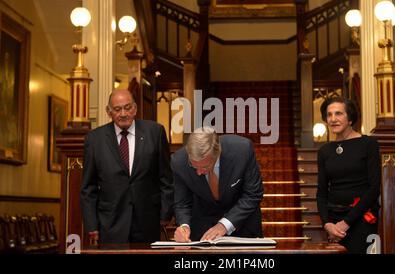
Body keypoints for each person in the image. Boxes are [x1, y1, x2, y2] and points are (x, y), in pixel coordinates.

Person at [80, 89, 173, 244]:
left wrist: (165, 215)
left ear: (135, 108)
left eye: (128, 107)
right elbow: (88, 188)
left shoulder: (155, 132)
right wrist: (91, 225)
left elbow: (166, 178)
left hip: (148, 221)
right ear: (108, 112)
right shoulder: (95, 139)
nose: (123, 113)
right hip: (110, 223)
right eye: (117, 109)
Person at [171, 127, 264, 242]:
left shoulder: (242, 150)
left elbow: (253, 194)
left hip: (243, 227)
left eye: (204, 167)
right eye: (194, 166)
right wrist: (184, 226)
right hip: (203, 232)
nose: (199, 172)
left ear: (216, 154)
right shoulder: (178, 161)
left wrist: (224, 225)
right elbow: (182, 203)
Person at [316, 96, 381, 254]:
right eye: (329, 115)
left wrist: (346, 222)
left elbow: (374, 189)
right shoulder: (324, 151)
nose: (333, 119)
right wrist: (327, 224)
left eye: (339, 114)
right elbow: (322, 192)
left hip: (362, 219)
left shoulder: (368, 144)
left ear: (350, 118)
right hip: (334, 222)